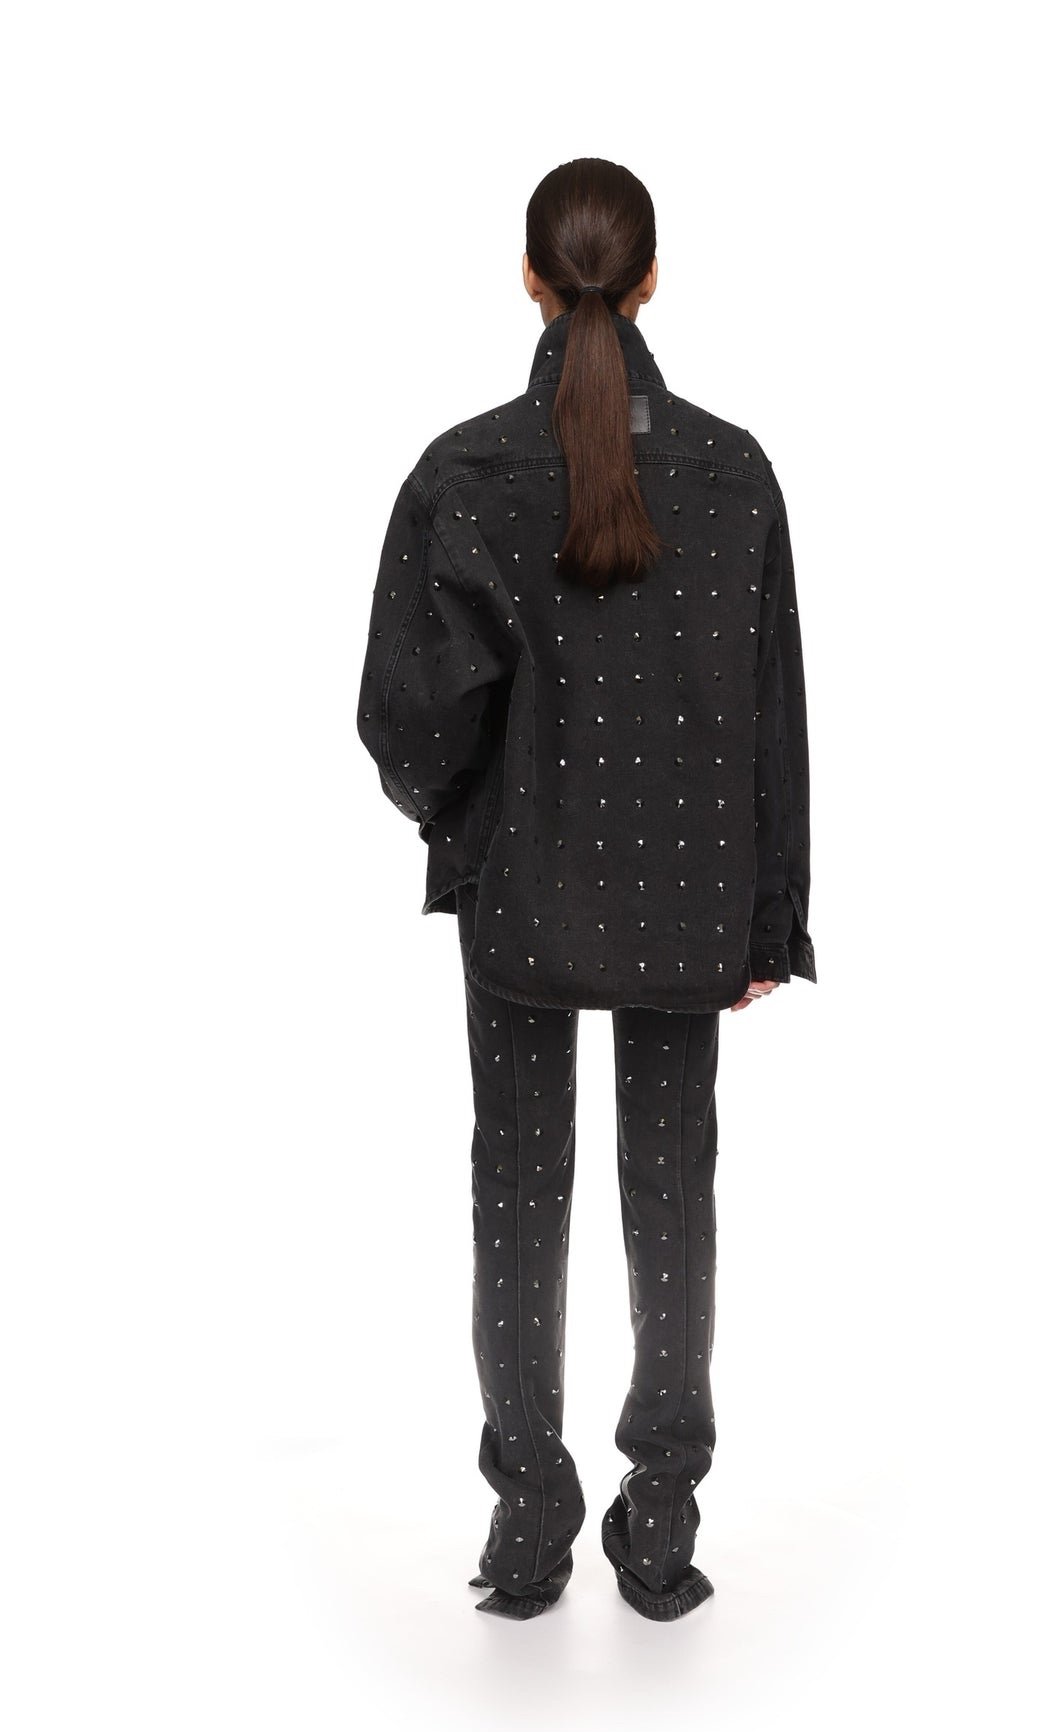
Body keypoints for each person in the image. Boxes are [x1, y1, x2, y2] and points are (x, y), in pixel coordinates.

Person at [356, 158, 816, 1623]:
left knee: (518, 1187)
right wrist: (770, 916)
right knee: (674, 1189)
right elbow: (775, 712)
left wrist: (465, 825)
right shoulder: (733, 471)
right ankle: (661, 1524)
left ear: (530, 279)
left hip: (523, 894)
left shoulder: (466, 471)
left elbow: (405, 719)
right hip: (691, 901)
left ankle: (528, 1525)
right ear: (654, 279)